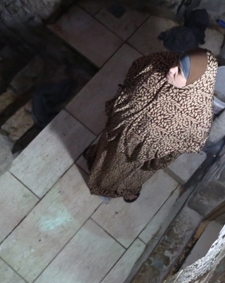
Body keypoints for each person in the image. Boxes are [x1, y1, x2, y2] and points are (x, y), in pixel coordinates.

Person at [85, 49, 218, 202]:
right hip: (117, 129)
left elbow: (176, 151)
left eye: (180, 71)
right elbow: (135, 70)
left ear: (194, 81)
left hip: (136, 154)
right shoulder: (161, 60)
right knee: (105, 153)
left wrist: (153, 162)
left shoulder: (197, 119)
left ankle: (122, 189)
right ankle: (94, 159)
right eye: (178, 61)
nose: (172, 69)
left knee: (122, 174)